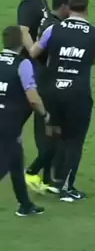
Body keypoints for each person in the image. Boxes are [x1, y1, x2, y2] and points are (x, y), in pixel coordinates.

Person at [31, 0, 95, 203]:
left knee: (54, 134)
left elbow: (35, 51)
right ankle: (66, 187)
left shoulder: (53, 29)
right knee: (74, 140)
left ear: (69, 8)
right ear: (86, 9)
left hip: (52, 91)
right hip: (77, 93)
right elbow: (93, 60)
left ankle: (48, 177)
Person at [25, 0, 73, 194]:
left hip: (49, 84)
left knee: (54, 134)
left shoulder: (51, 24)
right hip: (48, 86)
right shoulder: (53, 27)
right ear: (64, 6)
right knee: (52, 133)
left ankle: (47, 178)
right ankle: (33, 172)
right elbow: (40, 53)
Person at [0, 26, 48, 216]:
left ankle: (25, 204)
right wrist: (45, 114)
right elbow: (32, 98)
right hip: (9, 123)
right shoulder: (23, 64)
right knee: (4, 165)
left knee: (16, 163)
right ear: (21, 43)